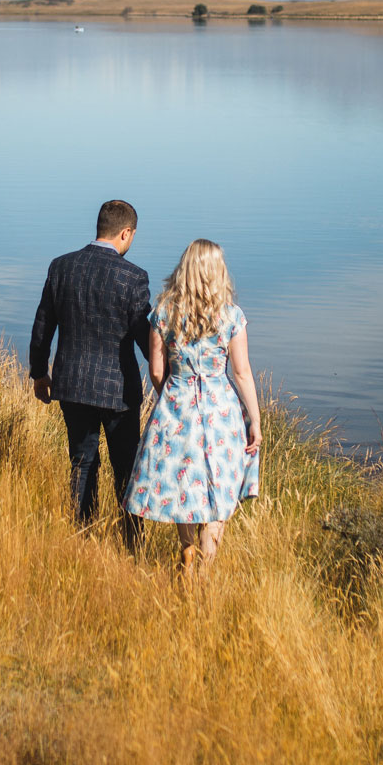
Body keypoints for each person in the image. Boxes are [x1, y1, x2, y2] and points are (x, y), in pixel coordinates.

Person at [126, 239, 261, 575]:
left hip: (176, 403)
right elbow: (242, 373)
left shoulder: (163, 312)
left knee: (183, 487)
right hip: (221, 412)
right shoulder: (231, 315)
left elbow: (157, 370)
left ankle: (187, 549)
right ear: (218, 272)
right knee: (220, 491)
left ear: (183, 269)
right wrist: (255, 420)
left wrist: (170, 395)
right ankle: (203, 571)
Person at [28, 199, 153, 548]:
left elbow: (43, 326)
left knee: (82, 463)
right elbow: (146, 338)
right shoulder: (133, 277)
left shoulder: (61, 267)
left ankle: (84, 539)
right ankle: (132, 545)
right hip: (118, 390)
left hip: (71, 384)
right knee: (127, 469)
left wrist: (39, 372)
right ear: (126, 233)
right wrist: (165, 377)